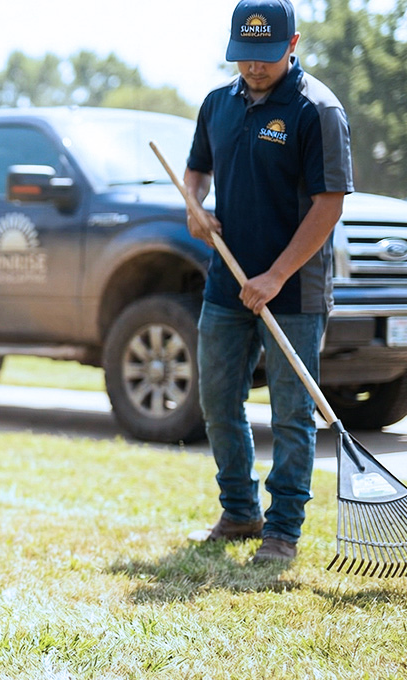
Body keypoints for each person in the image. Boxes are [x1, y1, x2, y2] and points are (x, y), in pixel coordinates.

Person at [183, 0, 353, 563]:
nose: (254, 67)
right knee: (216, 397)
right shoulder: (217, 104)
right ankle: (239, 511)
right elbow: (196, 170)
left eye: (266, 55)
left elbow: (328, 205)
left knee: (290, 413)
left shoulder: (316, 110)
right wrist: (194, 208)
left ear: (294, 43)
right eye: (244, 56)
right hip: (225, 283)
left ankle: (282, 531)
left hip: (295, 291)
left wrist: (276, 275)